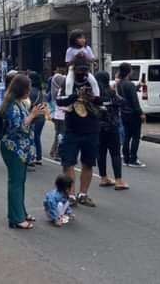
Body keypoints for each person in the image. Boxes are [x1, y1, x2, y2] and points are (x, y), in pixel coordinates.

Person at [56, 55, 103, 208]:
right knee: (68, 163)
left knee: (88, 163)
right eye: (79, 69)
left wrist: (93, 98)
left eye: (85, 69)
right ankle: (70, 194)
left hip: (91, 129)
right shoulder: (66, 82)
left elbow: (103, 100)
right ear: (73, 69)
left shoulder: (93, 82)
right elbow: (59, 101)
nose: (82, 72)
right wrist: (74, 96)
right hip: (72, 129)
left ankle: (83, 194)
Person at [0, 74, 45, 230]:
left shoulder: (20, 103)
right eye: (28, 87)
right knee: (16, 182)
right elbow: (18, 127)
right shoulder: (12, 105)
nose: (30, 90)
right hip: (14, 148)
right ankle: (16, 217)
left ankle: (20, 212)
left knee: (20, 182)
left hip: (21, 148)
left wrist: (33, 114)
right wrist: (32, 115)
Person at [95, 71, 128, 190]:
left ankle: (103, 178)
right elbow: (122, 102)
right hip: (112, 127)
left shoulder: (94, 94)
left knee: (101, 153)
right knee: (115, 154)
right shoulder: (111, 92)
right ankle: (118, 181)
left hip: (98, 128)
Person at [117, 62, 145, 168]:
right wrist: (141, 113)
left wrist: (138, 86)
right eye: (131, 69)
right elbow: (134, 101)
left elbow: (128, 94)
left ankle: (126, 158)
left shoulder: (120, 83)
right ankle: (133, 159)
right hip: (133, 114)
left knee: (127, 137)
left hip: (124, 113)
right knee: (136, 137)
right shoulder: (130, 84)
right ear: (129, 71)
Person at [64, 29, 100, 99]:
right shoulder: (70, 50)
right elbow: (68, 63)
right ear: (74, 40)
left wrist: (92, 61)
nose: (83, 40)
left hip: (85, 70)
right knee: (68, 83)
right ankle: (68, 98)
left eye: (84, 38)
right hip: (73, 69)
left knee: (94, 82)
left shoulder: (87, 48)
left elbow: (92, 59)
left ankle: (97, 97)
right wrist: (75, 57)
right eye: (80, 38)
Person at [28, 71, 46, 166]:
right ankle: (39, 157)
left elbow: (28, 103)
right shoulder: (40, 91)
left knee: (32, 137)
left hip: (33, 115)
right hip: (41, 116)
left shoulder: (30, 91)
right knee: (37, 136)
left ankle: (33, 156)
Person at [48, 69, 67, 161]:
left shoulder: (55, 90)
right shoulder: (62, 91)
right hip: (62, 116)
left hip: (57, 115)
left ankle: (53, 151)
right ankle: (58, 153)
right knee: (61, 134)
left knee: (58, 134)